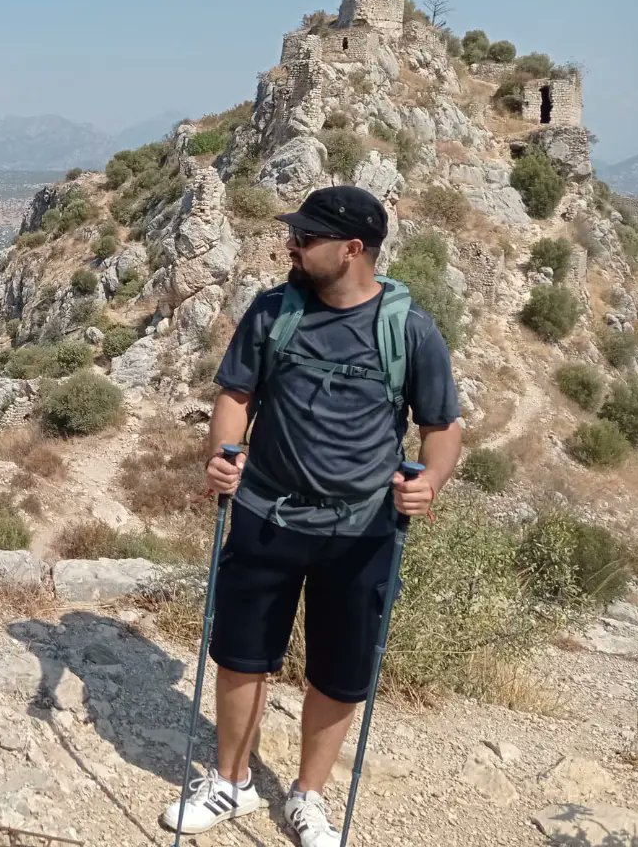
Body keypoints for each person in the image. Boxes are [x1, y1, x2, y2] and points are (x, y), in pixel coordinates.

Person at [161, 185, 461, 847]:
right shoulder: (274, 312)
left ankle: (307, 796)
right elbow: (236, 394)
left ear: (351, 250)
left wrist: (430, 482)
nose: (290, 246)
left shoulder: (409, 330)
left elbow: (442, 427)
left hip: (362, 532)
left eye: (305, 237)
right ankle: (232, 780)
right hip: (268, 514)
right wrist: (222, 454)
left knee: (341, 669)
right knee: (242, 655)